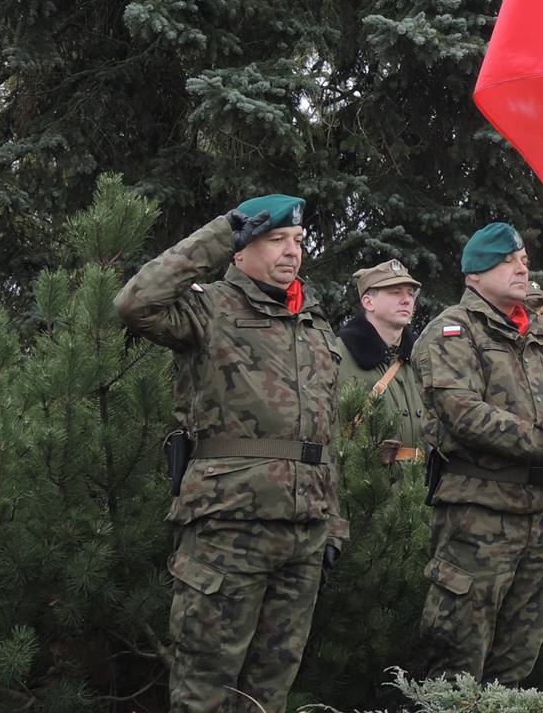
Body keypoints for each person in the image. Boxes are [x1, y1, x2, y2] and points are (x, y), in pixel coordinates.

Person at [113, 194, 348, 713]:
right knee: (205, 690)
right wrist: (220, 232)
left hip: (303, 534)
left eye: (298, 241)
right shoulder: (209, 307)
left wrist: (334, 524)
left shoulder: (313, 326)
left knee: (268, 694)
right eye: (275, 240)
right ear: (241, 251)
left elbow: (324, 440)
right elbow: (134, 304)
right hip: (228, 528)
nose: (291, 252)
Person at [413, 222, 543, 684]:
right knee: (457, 662)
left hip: (542, 516)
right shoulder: (452, 332)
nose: (522, 265)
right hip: (479, 515)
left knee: (516, 665)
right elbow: (467, 417)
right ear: (474, 275)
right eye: (506, 259)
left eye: (521, 257)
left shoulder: (542, 334)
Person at [337, 258, 428, 465]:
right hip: (365, 488)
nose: (407, 300)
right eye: (395, 293)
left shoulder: (420, 359)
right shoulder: (338, 355)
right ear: (368, 302)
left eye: (410, 293)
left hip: (418, 490)